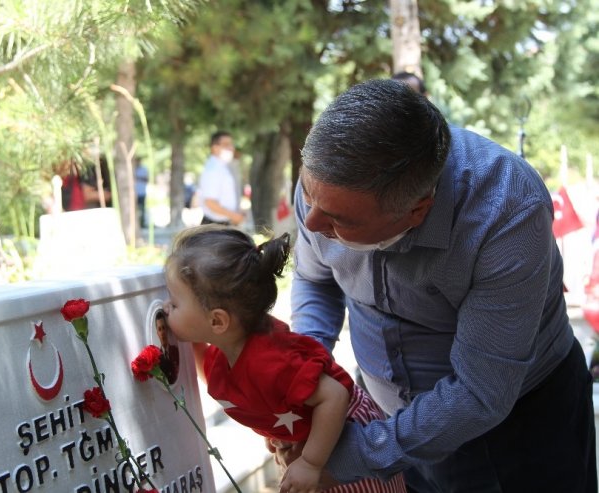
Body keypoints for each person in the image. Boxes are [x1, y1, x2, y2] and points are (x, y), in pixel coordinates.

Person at [279, 78, 596, 492]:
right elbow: (315, 280)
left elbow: (480, 393)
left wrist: (352, 456)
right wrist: (304, 380)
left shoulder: (506, 212)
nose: (313, 224)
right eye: (308, 196)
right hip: (390, 427)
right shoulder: (328, 186)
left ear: (417, 210)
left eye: (341, 221)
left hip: (518, 429)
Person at [162, 225, 406, 493]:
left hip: (340, 436)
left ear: (217, 320)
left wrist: (311, 463)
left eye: (174, 304)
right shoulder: (230, 347)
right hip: (308, 439)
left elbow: (335, 396)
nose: (165, 308)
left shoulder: (271, 361)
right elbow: (212, 373)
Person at [197, 131, 245, 226]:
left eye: (231, 144)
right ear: (215, 147)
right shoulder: (213, 170)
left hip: (221, 224)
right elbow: (210, 202)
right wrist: (234, 216)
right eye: (226, 144)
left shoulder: (222, 167)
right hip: (214, 225)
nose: (231, 148)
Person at [155, 310, 179, 384]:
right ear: (157, 333)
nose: (162, 332)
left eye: (163, 328)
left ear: (167, 330)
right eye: (159, 329)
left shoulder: (176, 351)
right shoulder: (156, 357)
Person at [134, 157, 149, 228]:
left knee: (142, 209)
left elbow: (146, 179)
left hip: (142, 192)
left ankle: (142, 223)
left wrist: (138, 178)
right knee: (135, 210)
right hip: (134, 193)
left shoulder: (144, 169)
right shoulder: (132, 169)